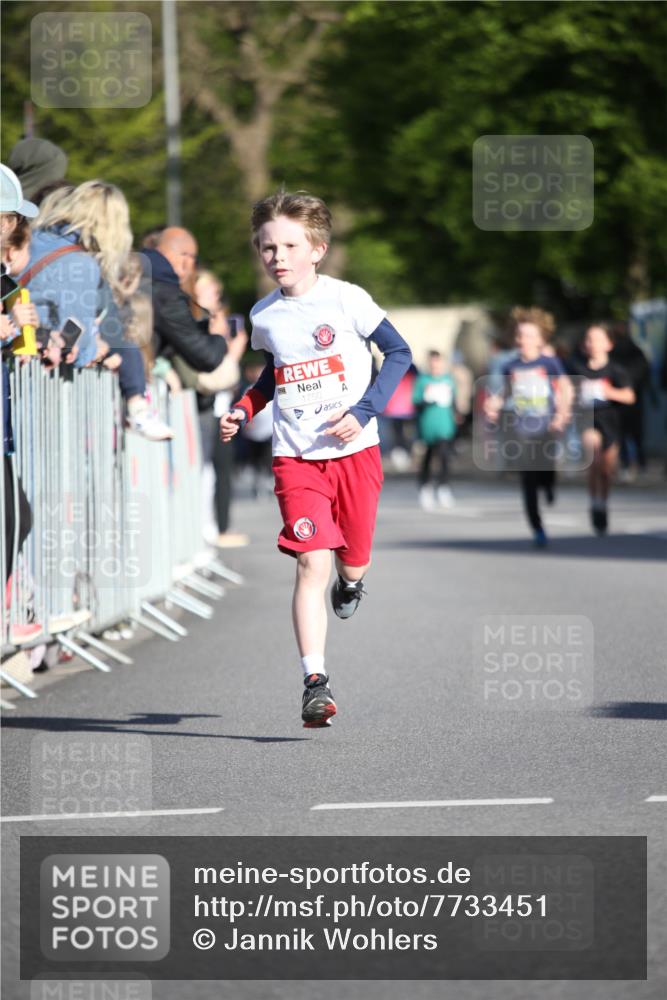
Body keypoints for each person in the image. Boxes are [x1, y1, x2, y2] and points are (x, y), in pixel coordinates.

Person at [220, 190, 412, 727]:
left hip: (354, 451)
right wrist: (243, 406)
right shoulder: (265, 315)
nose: (276, 256)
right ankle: (314, 683)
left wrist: (366, 409)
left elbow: (399, 353)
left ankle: (351, 582)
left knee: (351, 563)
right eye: (266, 247)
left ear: (317, 249)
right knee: (311, 561)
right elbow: (273, 375)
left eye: (288, 245)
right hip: (297, 457)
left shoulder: (348, 300)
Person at [485, 307, 572, 548]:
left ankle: (549, 486)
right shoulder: (510, 365)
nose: (524, 340)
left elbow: (564, 387)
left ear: (540, 339)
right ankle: (537, 528)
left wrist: (562, 413)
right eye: (521, 335)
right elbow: (504, 392)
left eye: (530, 335)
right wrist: (494, 403)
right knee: (528, 478)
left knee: (546, 470)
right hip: (521, 426)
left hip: (547, 425)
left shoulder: (550, 363)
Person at [566, 323, 635, 534]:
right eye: (588, 339)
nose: (591, 344)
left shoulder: (616, 370)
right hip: (588, 421)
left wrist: (609, 392)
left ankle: (602, 503)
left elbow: (630, 396)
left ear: (608, 344)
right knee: (594, 459)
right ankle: (594, 503)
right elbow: (566, 391)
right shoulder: (576, 368)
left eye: (596, 339)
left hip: (610, 422)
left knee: (606, 470)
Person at [141, 227, 227, 374]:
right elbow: (206, 357)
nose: (192, 266)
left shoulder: (136, 274)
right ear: (186, 259)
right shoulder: (166, 293)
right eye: (193, 258)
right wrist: (218, 336)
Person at [413, 350, 458, 508]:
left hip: (445, 425)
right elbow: (416, 403)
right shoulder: (422, 380)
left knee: (445, 456)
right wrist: (428, 400)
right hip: (428, 425)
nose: (435, 366)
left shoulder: (448, 380)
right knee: (429, 457)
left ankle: (443, 487)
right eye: (432, 363)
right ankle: (425, 487)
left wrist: (457, 416)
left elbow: (454, 402)